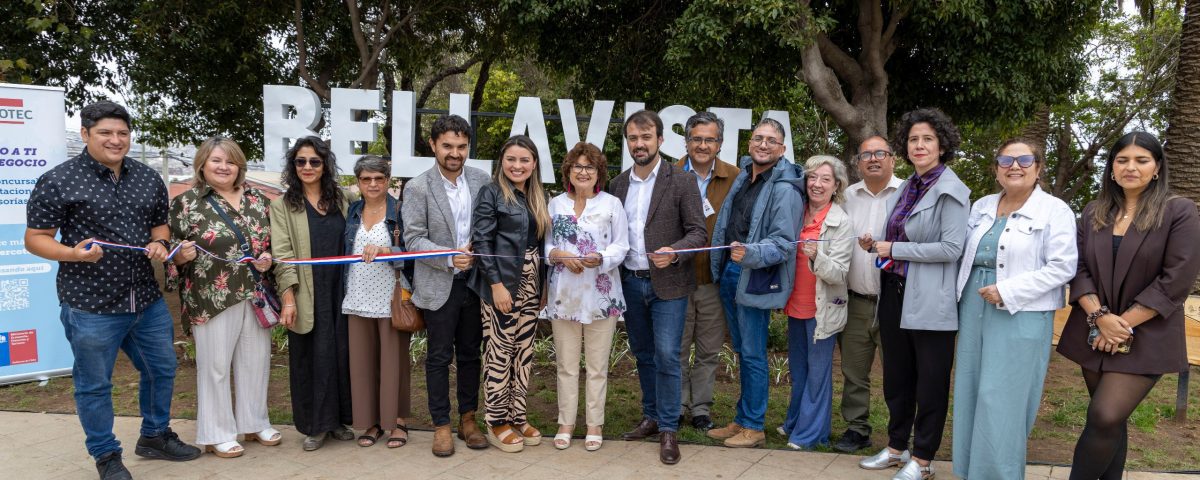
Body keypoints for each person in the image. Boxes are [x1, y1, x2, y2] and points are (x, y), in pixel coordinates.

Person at [25, 100, 201, 480]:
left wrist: (159, 243)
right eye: (105, 132)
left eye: (122, 133)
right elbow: (35, 238)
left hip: (146, 300)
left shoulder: (147, 178)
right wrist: (72, 253)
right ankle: (106, 456)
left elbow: (159, 226)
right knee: (94, 385)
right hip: (91, 304)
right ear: (85, 134)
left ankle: (154, 435)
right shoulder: (58, 180)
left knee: (161, 369)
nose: (115, 140)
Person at [1057, 132, 1200, 480]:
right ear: (1111, 168)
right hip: (1095, 332)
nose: (1130, 167)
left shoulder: (1179, 211)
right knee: (1110, 422)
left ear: (1157, 168)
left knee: (1104, 415)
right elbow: (1078, 268)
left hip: (1147, 332)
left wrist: (1120, 325)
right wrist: (1100, 318)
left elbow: (1176, 278)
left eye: (1141, 160)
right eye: (1122, 160)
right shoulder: (1094, 212)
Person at [950, 138, 1077, 479]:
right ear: (996, 169)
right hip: (973, 307)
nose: (1014, 166)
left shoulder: (1055, 210)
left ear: (1038, 168)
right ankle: (969, 471)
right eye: (1006, 160)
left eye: (1024, 160)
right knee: (970, 389)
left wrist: (1007, 291)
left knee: (1002, 396)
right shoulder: (982, 205)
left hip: (1023, 312)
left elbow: (1063, 267)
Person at [857, 108, 969, 480]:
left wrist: (895, 249)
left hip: (931, 298)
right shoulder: (909, 186)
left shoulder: (952, 190)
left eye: (927, 139)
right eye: (913, 139)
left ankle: (922, 459)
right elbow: (902, 236)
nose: (919, 145)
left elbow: (951, 248)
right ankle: (896, 447)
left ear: (942, 145)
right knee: (897, 377)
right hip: (894, 290)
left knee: (930, 381)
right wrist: (877, 243)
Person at [167, 137, 279, 458]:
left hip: (255, 291)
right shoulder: (187, 202)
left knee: (256, 361)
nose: (224, 167)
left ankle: (254, 422)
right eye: (216, 160)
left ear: (240, 166)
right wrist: (180, 256)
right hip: (210, 296)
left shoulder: (259, 200)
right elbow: (170, 250)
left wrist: (268, 258)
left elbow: (272, 242)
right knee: (215, 366)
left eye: (230, 161)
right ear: (202, 164)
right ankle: (217, 432)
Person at [609, 109, 708, 465]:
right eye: (633, 138)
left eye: (646, 137)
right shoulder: (617, 185)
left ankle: (668, 427)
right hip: (630, 282)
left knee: (667, 355)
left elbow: (698, 232)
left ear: (660, 140)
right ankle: (650, 416)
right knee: (643, 353)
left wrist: (675, 252)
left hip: (669, 284)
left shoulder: (681, 181)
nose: (640, 144)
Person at [707, 118, 804, 449]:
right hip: (731, 272)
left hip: (754, 276)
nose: (763, 144)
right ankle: (742, 418)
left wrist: (750, 253)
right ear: (750, 143)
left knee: (753, 353)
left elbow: (784, 244)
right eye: (759, 138)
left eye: (771, 140)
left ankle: (754, 426)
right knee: (742, 350)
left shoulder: (786, 188)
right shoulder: (744, 175)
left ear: (782, 148)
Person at [401, 114, 492, 457]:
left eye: (462, 146)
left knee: (470, 354)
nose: (455, 153)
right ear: (433, 145)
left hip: (475, 283)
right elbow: (413, 239)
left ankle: (468, 420)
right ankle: (441, 425)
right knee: (439, 357)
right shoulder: (418, 187)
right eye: (448, 146)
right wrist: (450, 257)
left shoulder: (481, 180)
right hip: (439, 284)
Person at [541, 142, 630, 451]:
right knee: (565, 365)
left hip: (601, 296)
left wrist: (601, 257)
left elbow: (622, 245)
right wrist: (559, 254)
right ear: (568, 170)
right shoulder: (555, 205)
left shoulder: (611, 204)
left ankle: (594, 424)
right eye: (577, 166)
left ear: (598, 172)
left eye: (589, 167)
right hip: (564, 294)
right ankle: (566, 423)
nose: (582, 172)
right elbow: (545, 245)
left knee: (597, 367)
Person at [270, 136, 354, 451]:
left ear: (325, 165)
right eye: (301, 161)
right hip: (307, 292)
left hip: (341, 291)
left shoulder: (343, 199)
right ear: (293, 166)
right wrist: (288, 299)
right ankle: (315, 426)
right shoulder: (282, 205)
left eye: (314, 161)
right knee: (312, 358)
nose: (307, 167)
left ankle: (339, 421)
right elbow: (282, 254)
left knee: (340, 356)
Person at [469, 135, 552, 452]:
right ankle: (496, 421)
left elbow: (540, 245)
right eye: (511, 159)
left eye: (524, 160)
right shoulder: (490, 192)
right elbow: (482, 241)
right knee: (500, 354)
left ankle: (518, 416)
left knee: (523, 353)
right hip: (501, 283)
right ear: (501, 162)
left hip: (531, 283)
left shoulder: (537, 195)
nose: (517, 166)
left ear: (534, 164)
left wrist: (542, 285)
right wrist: (496, 285)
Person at [834, 135, 902, 453]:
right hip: (856, 301)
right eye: (866, 155)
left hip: (895, 302)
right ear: (858, 163)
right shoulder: (847, 197)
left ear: (893, 159)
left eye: (880, 153)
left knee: (899, 372)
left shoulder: (909, 193)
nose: (873, 159)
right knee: (854, 371)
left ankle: (900, 434)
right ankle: (856, 428)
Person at [780, 155, 853, 450]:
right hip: (795, 303)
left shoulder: (841, 221)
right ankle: (795, 422)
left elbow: (839, 272)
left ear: (836, 185)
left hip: (823, 308)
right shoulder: (797, 211)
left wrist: (816, 256)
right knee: (799, 371)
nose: (817, 184)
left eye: (825, 179)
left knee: (818, 374)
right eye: (812, 177)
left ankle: (810, 434)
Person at [341, 155, 413, 449]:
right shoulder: (352, 211)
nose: (372, 184)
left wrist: (388, 250)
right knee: (362, 363)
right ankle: (371, 421)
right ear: (358, 182)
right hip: (357, 295)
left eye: (379, 178)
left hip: (390, 296)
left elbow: (413, 250)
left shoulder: (401, 211)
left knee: (394, 363)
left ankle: (397, 421)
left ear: (387, 181)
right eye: (366, 179)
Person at [675, 112, 740, 432]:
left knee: (708, 350)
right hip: (676, 280)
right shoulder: (669, 174)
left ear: (720, 144)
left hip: (714, 280)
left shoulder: (736, 177)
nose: (703, 145)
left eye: (709, 140)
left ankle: (700, 408)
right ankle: (676, 405)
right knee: (676, 348)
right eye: (697, 139)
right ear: (687, 142)